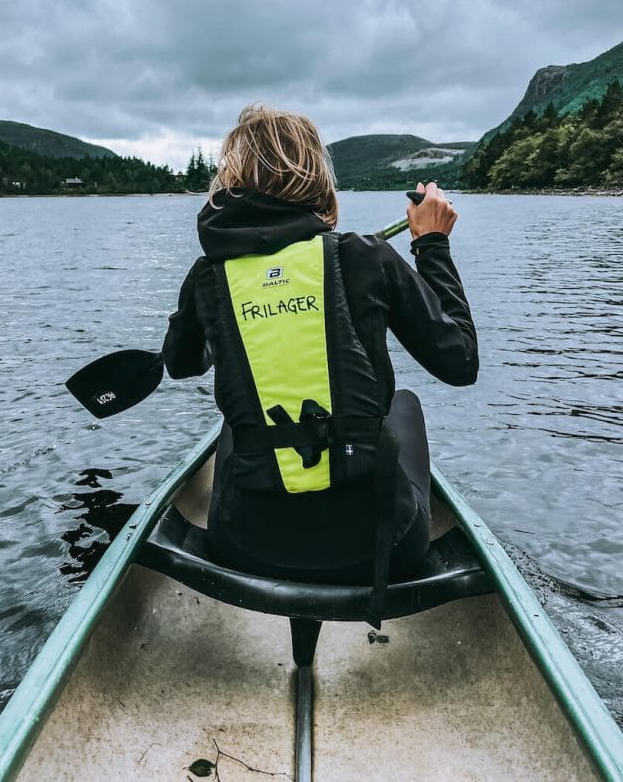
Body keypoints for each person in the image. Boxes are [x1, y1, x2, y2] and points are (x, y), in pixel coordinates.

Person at [162, 104, 477, 601]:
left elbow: (180, 365)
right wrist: (432, 243)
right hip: (382, 549)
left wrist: (224, 332)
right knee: (404, 404)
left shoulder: (208, 275)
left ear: (231, 181)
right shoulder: (366, 255)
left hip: (242, 544)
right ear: (315, 178)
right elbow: (460, 363)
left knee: (235, 423)